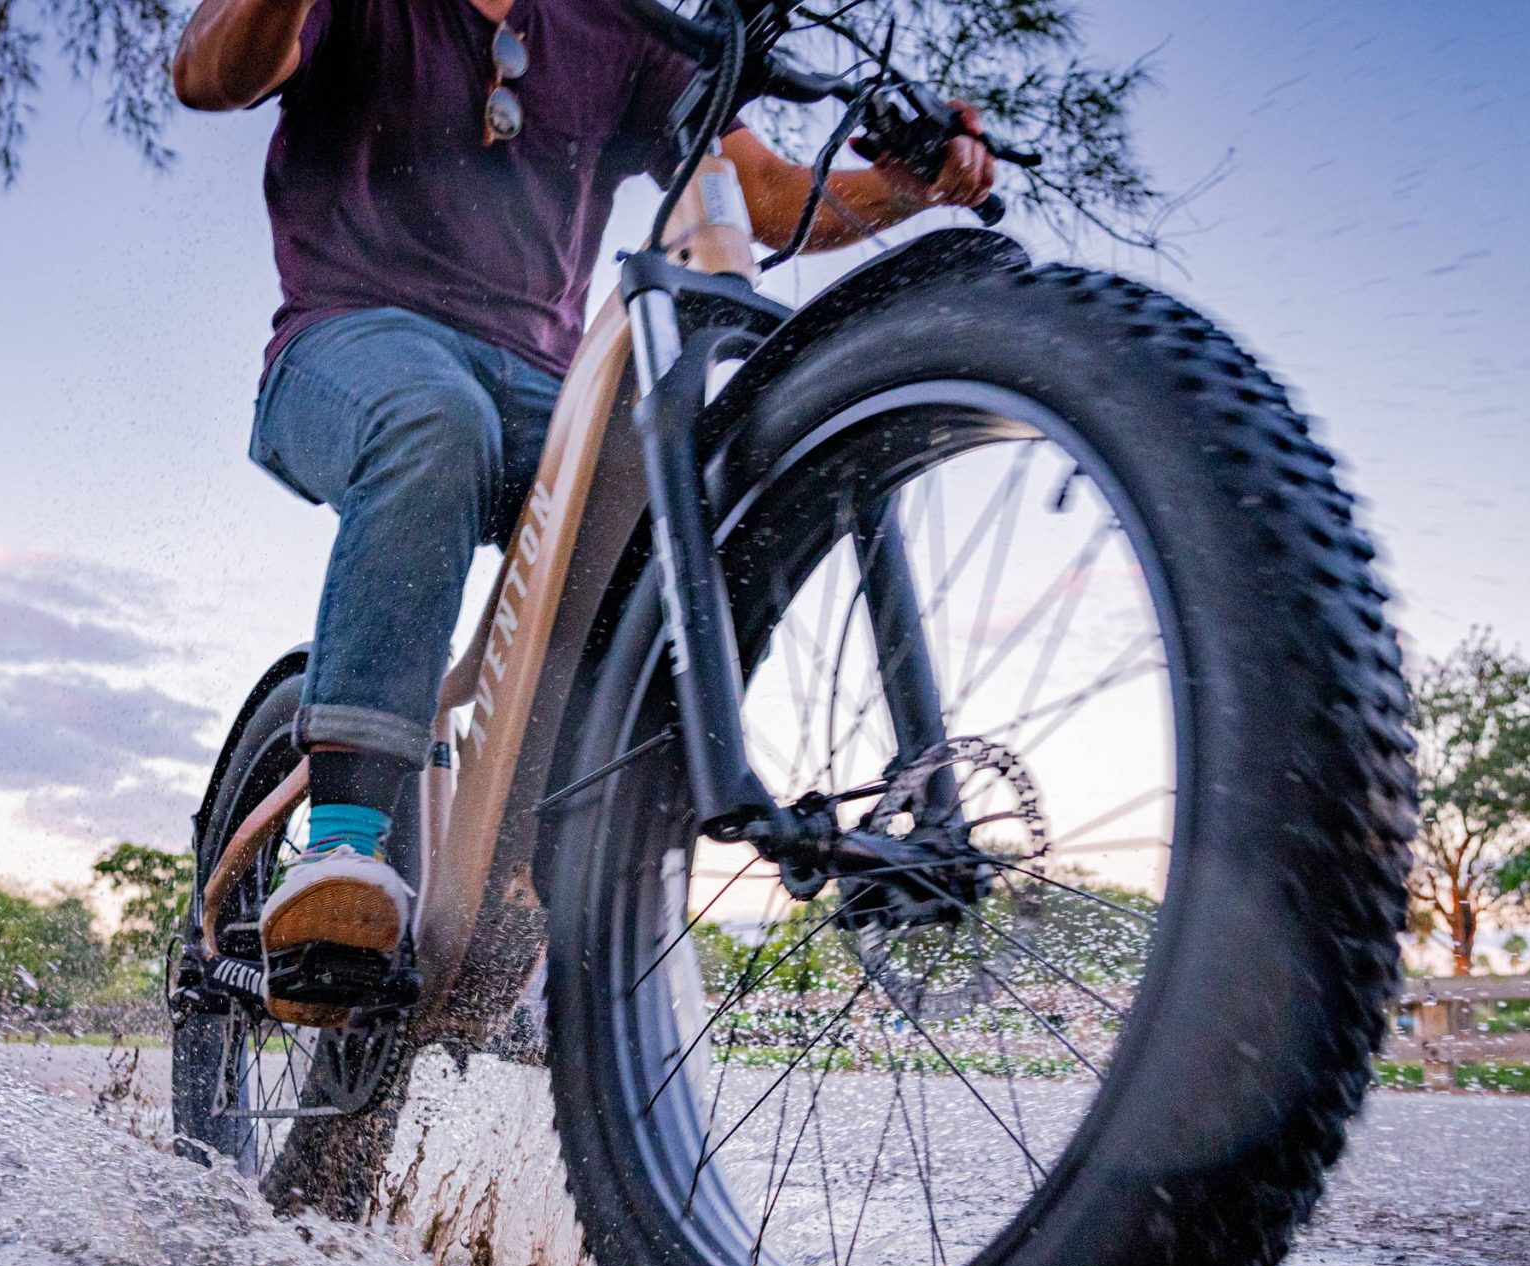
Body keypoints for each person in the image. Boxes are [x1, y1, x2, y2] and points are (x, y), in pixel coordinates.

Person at [171, 0, 993, 1017]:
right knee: (435, 423)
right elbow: (212, 74)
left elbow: (768, 196)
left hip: (536, 386)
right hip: (346, 341)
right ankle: (343, 852)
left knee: (667, 496)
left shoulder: (613, 25)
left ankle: (544, 873)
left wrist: (912, 186)